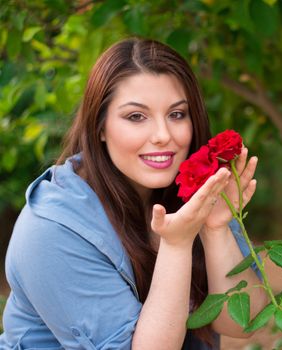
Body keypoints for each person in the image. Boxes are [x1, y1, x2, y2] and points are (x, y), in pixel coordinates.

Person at [0, 38, 267, 349]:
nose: (163, 135)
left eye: (177, 114)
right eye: (136, 117)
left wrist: (215, 228)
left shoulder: (188, 192)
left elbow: (243, 322)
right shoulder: (52, 228)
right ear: (99, 127)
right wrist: (177, 245)